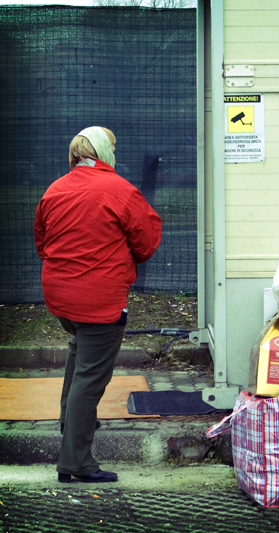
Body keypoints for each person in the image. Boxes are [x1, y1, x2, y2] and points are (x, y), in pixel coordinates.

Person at [34, 126, 162, 483]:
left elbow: (42, 241)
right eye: (115, 147)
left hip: (60, 298)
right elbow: (147, 241)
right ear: (104, 151)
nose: (117, 153)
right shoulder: (120, 190)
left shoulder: (55, 189)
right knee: (91, 378)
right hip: (99, 301)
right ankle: (75, 462)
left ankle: (70, 422)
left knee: (79, 355)